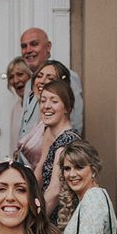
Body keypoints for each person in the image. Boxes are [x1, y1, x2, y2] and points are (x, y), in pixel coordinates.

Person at [17, 27, 83, 139]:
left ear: (48, 47)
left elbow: (74, 123)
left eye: (34, 44)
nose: (28, 50)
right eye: (24, 46)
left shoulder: (66, 76)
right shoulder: (29, 83)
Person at [34, 78, 80, 222]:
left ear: (67, 108)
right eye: (43, 101)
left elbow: (54, 192)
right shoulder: (51, 134)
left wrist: (31, 225)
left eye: (54, 101)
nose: (46, 106)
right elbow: (39, 171)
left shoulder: (67, 142)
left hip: (60, 220)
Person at [16, 59, 71, 168]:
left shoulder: (55, 126)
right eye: (39, 76)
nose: (42, 81)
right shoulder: (40, 113)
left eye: (50, 78)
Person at [6, 56, 31, 150]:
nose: (15, 80)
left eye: (20, 74)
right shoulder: (15, 108)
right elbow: (14, 144)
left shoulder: (40, 105)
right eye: (11, 77)